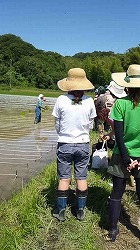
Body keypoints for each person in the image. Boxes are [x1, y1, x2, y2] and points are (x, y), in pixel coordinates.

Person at [52, 68, 96, 221]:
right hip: (83, 144)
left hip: (65, 143)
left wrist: (63, 134)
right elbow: (91, 124)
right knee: (81, 177)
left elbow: (57, 123)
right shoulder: (90, 101)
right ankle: (81, 210)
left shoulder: (61, 100)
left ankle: (61, 210)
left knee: (64, 178)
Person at [107, 64, 140, 242]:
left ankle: (112, 230)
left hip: (121, 156)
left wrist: (127, 158)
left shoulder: (120, 104)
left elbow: (118, 135)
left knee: (117, 194)